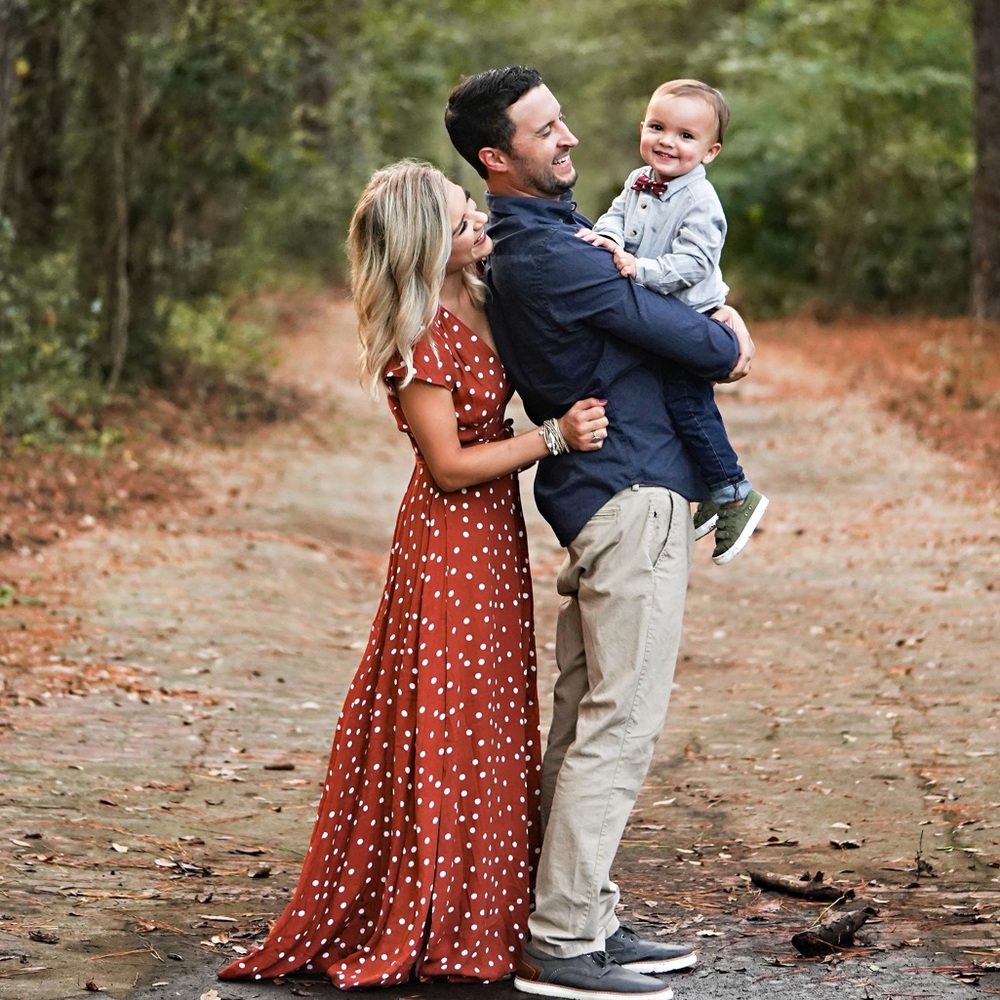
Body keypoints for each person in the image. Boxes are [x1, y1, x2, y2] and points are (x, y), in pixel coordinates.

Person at [217, 159, 608, 989]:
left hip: (492, 541)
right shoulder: (422, 337)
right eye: (466, 222)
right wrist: (556, 438)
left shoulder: (481, 293)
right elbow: (451, 466)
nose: (482, 229)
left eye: (475, 216)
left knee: (495, 715)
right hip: (450, 544)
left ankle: (494, 901)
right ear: (428, 245)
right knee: (450, 719)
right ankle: (438, 907)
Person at [445, 67, 754, 999]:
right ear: (497, 157)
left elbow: (662, 321)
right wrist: (731, 339)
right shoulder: (552, 255)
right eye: (546, 131)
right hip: (634, 491)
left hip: (604, 492)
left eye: (564, 120)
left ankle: (587, 916)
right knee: (618, 725)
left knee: (586, 720)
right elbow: (699, 342)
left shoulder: (547, 240)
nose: (571, 138)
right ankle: (565, 941)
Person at [579, 78, 767, 565]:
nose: (668, 141)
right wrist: (604, 240)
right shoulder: (638, 181)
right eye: (658, 127)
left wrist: (639, 268)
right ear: (642, 127)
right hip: (658, 314)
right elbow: (617, 219)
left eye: (686, 136)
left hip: (692, 314)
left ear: (710, 152)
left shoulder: (700, 202)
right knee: (662, 400)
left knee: (687, 403)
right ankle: (705, 487)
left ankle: (733, 491)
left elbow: (694, 263)